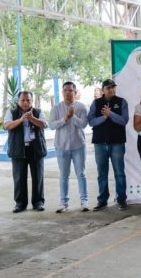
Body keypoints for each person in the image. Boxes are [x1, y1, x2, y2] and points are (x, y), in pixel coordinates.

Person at [3, 91, 48, 213]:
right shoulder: (11, 112)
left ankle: (38, 202)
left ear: (32, 101)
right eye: (23, 100)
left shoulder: (38, 112)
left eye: (28, 100)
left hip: (35, 149)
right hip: (18, 149)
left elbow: (44, 124)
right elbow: (6, 125)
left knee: (38, 177)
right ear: (18, 101)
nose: (25, 102)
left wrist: (32, 118)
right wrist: (21, 119)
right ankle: (20, 204)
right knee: (19, 178)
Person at [89, 79, 129, 211]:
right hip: (100, 143)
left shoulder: (122, 102)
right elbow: (91, 121)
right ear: (103, 90)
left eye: (113, 87)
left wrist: (110, 114)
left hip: (117, 143)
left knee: (119, 173)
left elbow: (124, 121)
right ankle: (102, 200)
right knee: (102, 174)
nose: (111, 90)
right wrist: (104, 118)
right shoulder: (96, 103)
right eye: (108, 88)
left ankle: (121, 199)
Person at [49, 81, 89, 213]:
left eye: (70, 90)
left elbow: (83, 124)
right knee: (64, 175)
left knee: (81, 174)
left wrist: (73, 117)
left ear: (75, 92)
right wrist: (65, 118)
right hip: (61, 146)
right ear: (62, 92)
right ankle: (63, 202)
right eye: (65, 90)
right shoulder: (56, 108)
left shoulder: (82, 107)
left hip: (78, 145)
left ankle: (84, 201)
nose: (68, 93)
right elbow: (52, 125)